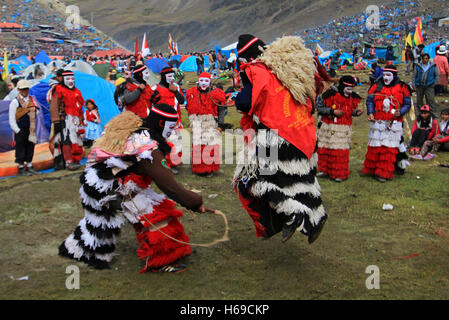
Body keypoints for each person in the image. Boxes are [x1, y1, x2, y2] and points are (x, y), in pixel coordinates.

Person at [58, 106, 205, 273]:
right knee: (155, 216)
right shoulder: (149, 148)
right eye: (170, 128)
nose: (171, 133)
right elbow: (168, 185)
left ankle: (79, 247)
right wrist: (194, 202)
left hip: (98, 179)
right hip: (107, 185)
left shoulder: (138, 127)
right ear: (161, 123)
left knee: (100, 223)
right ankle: (162, 260)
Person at [233, 34, 327, 244]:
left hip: (274, 137)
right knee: (301, 179)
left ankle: (292, 215)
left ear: (244, 57)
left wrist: (237, 99)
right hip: (304, 133)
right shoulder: (290, 66)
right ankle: (317, 217)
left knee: (253, 180)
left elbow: (246, 102)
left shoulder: (257, 71)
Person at [362, 65, 412, 182]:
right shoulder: (376, 86)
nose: (385, 77)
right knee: (376, 146)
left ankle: (383, 172)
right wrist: (370, 113)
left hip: (393, 123)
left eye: (388, 75)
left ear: (394, 76)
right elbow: (370, 100)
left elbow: (407, 103)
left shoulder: (403, 87)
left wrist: (401, 112)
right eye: (384, 74)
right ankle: (373, 169)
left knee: (388, 149)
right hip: (378, 121)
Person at [316, 76, 363, 182]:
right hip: (328, 127)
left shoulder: (352, 97)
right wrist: (332, 112)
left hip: (342, 129)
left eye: (352, 89)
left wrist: (356, 112)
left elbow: (351, 110)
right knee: (326, 148)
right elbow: (319, 108)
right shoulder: (328, 95)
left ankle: (338, 173)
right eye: (348, 89)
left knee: (339, 151)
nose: (350, 92)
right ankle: (325, 170)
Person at [186, 72, 226, 177]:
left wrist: (220, 124)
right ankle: (199, 168)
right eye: (202, 80)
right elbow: (188, 107)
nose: (203, 83)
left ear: (210, 82)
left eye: (206, 81)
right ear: (198, 81)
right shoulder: (191, 92)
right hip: (197, 122)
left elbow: (221, 109)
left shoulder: (216, 94)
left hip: (211, 122)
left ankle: (209, 168)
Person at [150, 67, 186, 174]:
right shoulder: (155, 89)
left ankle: (173, 163)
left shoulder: (176, 87)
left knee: (177, 143)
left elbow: (182, 101)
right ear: (163, 77)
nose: (171, 79)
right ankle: (163, 165)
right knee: (163, 144)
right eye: (169, 76)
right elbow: (150, 105)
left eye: (172, 76)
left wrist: (176, 92)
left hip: (176, 122)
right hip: (161, 124)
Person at [49, 70, 85, 170]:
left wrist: (82, 119)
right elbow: (54, 106)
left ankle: (76, 160)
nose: (70, 81)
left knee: (77, 140)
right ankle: (68, 162)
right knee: (66, 140)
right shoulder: (59, 89)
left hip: (76, 120)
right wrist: (56, 121)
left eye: (72, 79)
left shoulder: (77, 91)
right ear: (64, 79)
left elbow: (80, 106)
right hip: (64, 119)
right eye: (68, 79)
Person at [8, 80, 40, 175]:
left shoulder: (32, 100)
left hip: (31, 127)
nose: (25, 91)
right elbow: (11, 118)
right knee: (20, 148)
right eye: (23, 89)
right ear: (18, 90)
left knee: (30, 146)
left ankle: (29, 165)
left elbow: (37, 112)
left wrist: (33, 111)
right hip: (20, 129)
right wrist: (17, 130)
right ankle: (21, 167)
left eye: (26, 89)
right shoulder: (15, 102)